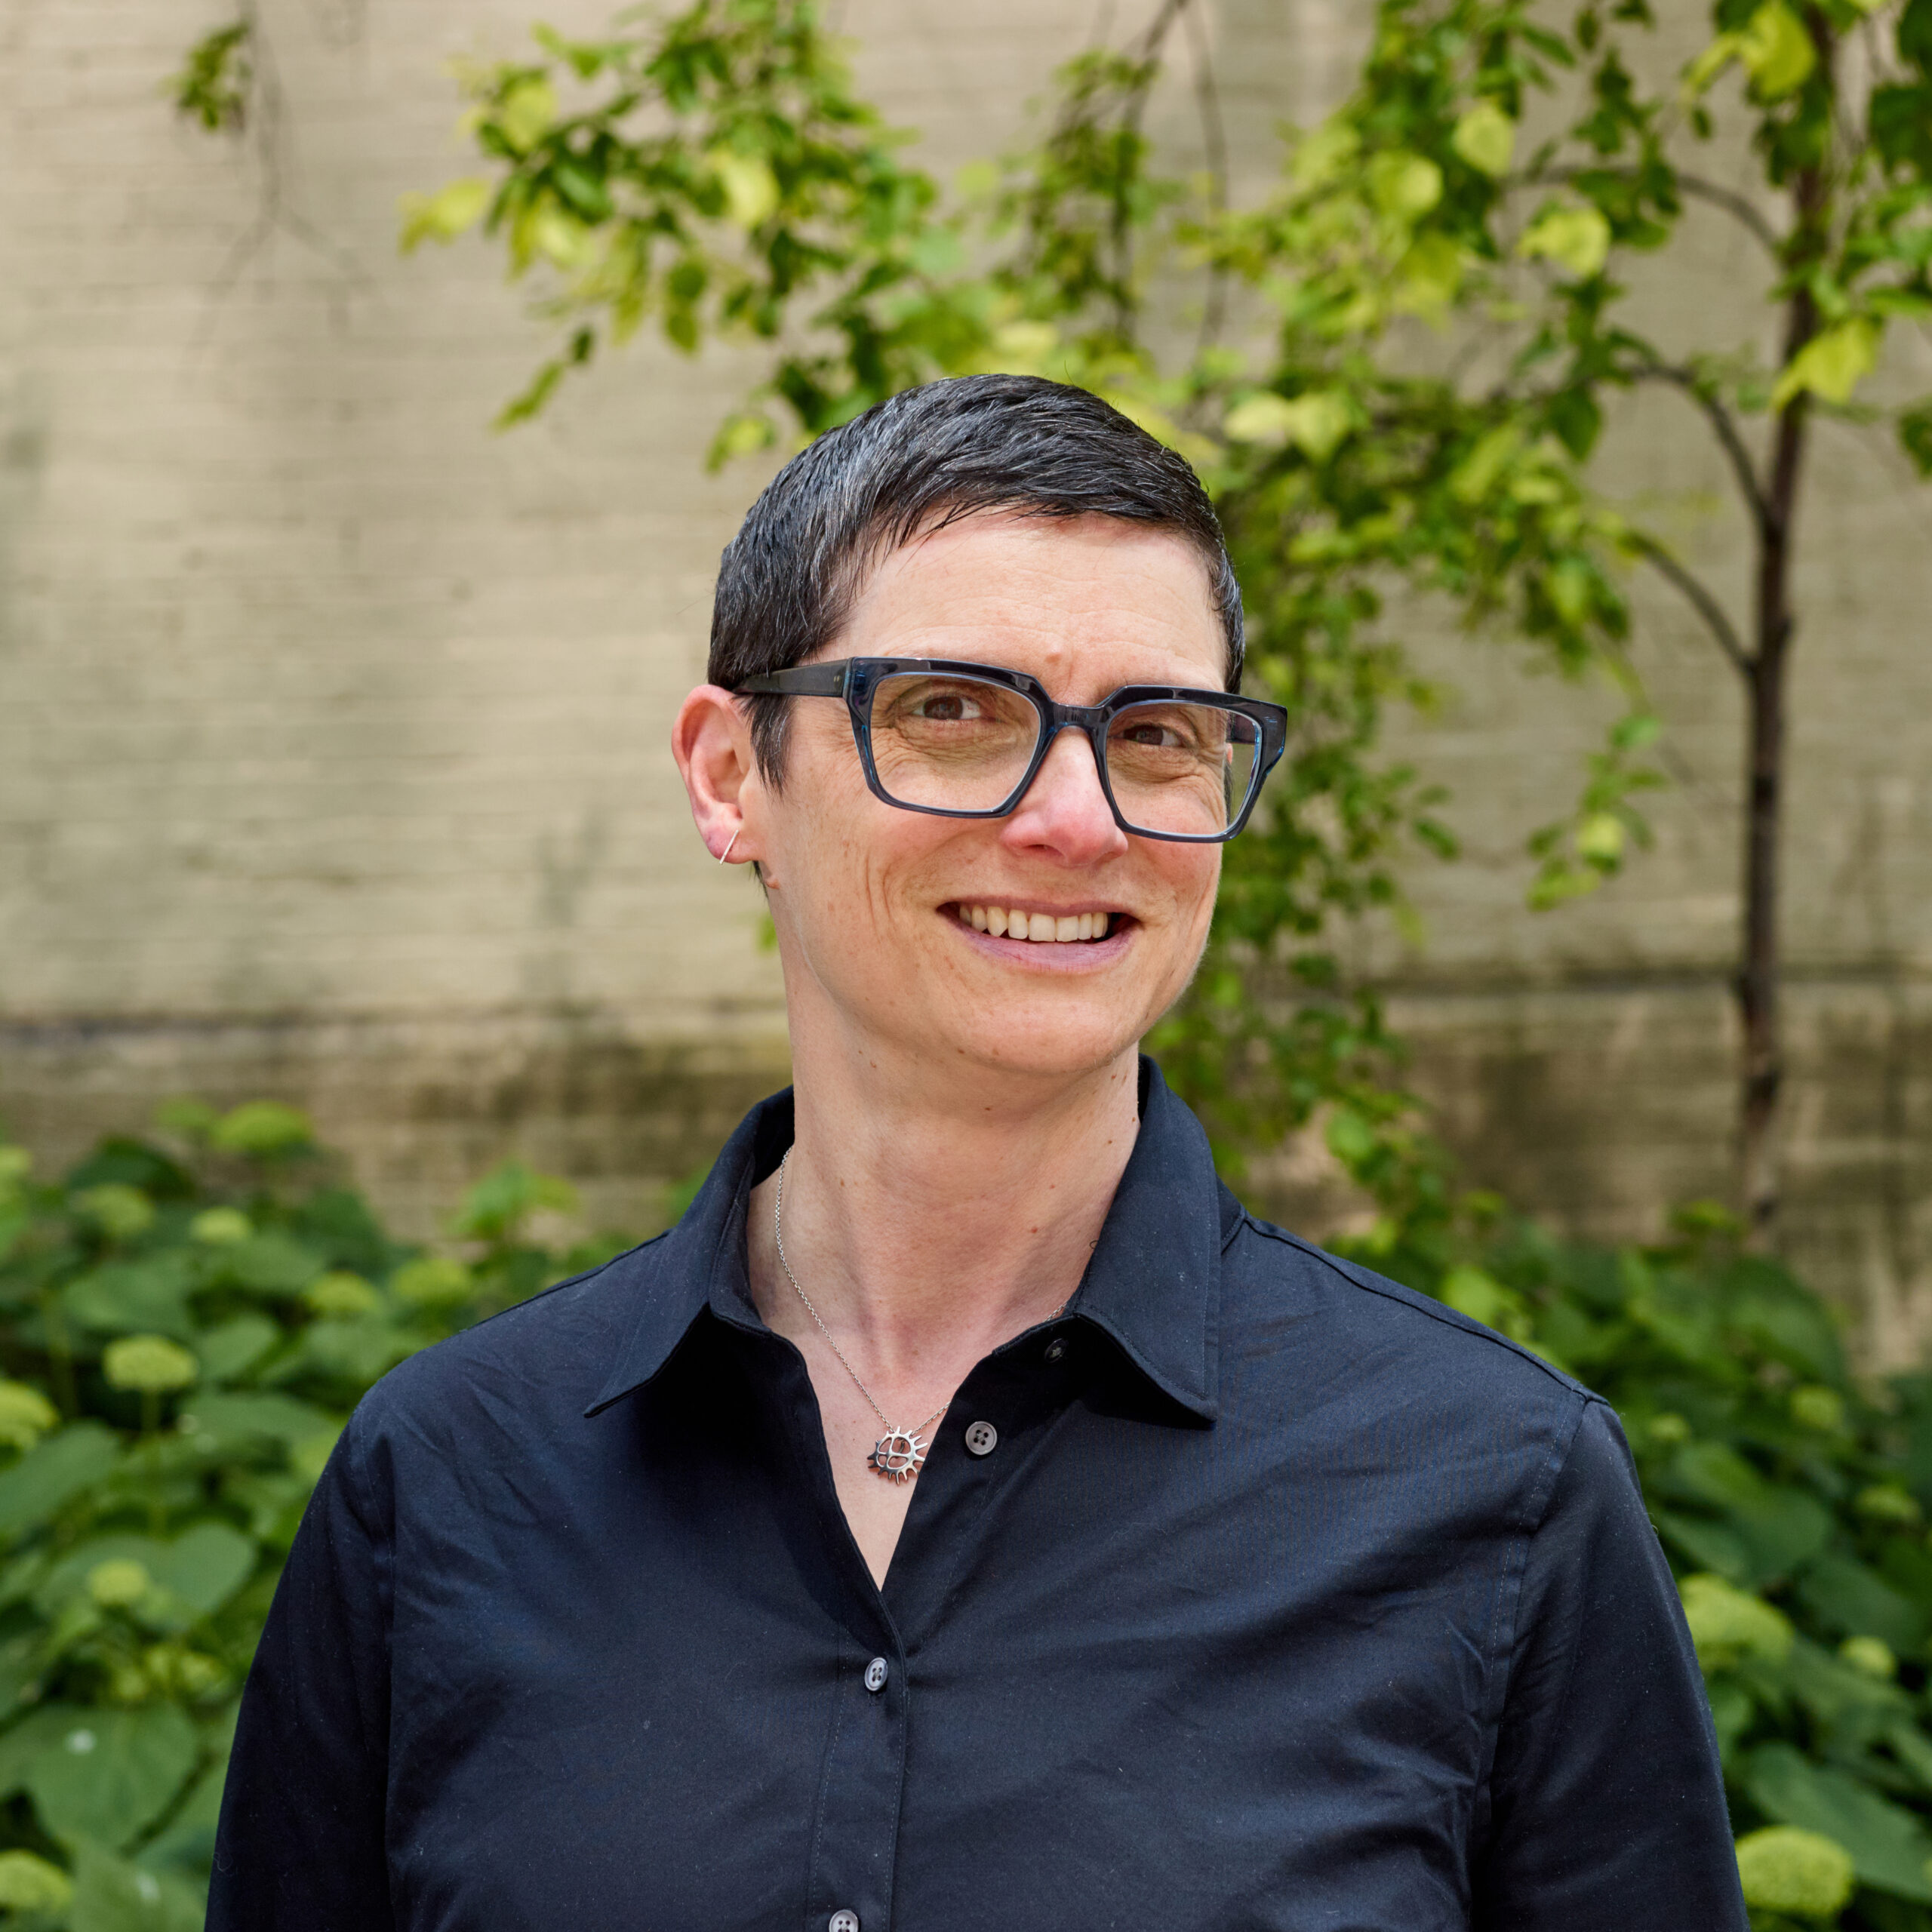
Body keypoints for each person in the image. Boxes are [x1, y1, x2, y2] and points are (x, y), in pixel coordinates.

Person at [208, 374, 1747, 1931]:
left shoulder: (1494, 1491)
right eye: (951, 709)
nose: (1076, 819)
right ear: (731, 774)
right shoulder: (449, 1480)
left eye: (1153, 733)